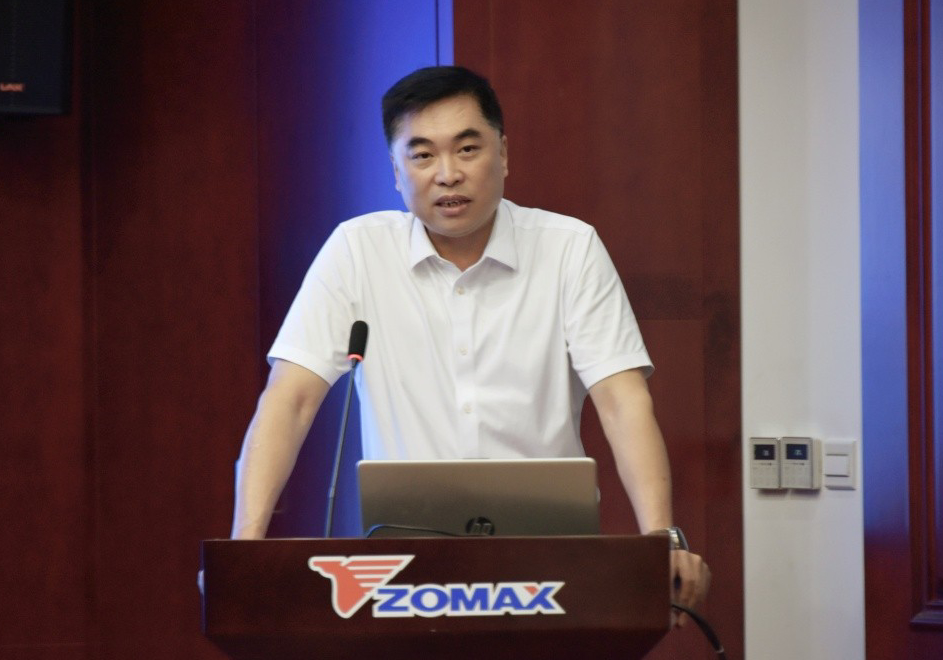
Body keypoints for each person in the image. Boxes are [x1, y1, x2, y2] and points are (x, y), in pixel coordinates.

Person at [229, 66, 710, 624]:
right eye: (422, 155)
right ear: (396, 171)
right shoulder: (356, 252)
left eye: (467, 148)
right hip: (401, 569)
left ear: (503, 154)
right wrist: (244, 550)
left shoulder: (569, 250)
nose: (448, 174)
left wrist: (661, 539)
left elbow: (623, 402)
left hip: (553, 565)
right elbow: (290, 401)